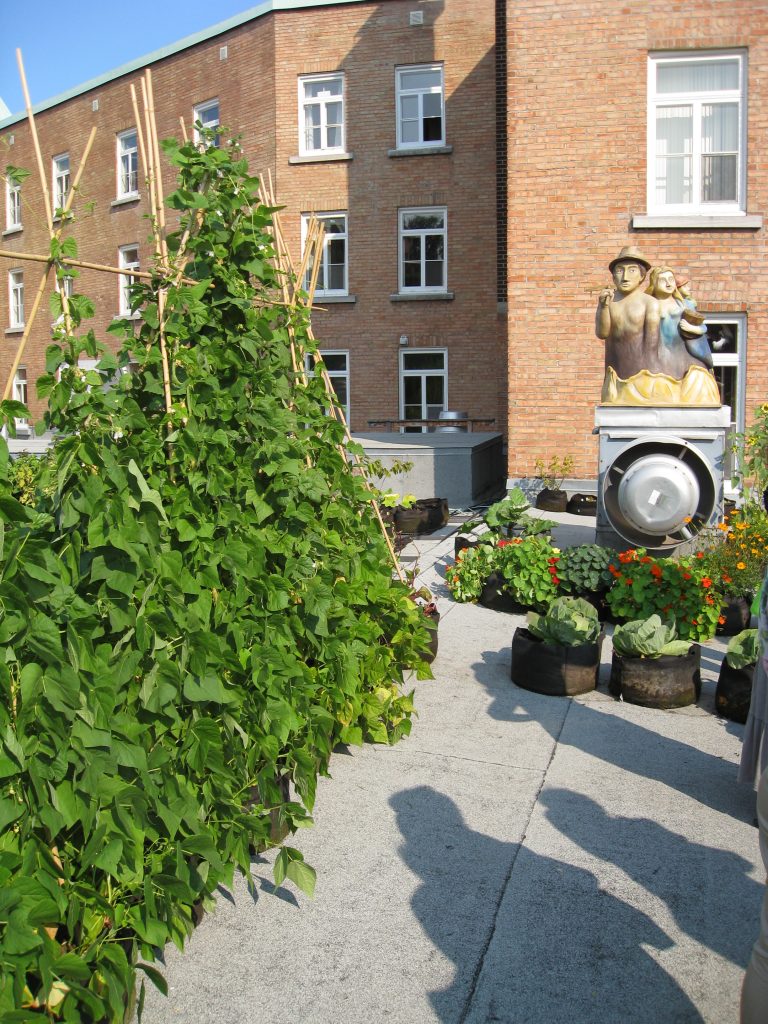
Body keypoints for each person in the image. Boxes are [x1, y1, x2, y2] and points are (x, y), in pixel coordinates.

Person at [596, 247, 720, 405]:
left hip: (643, 377)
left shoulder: (650, 303)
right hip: (616, 376)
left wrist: (649, 379)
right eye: (620, 271)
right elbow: (602, 333)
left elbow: (651, 346)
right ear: (613, 276)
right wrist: (603, 307)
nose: (625, 277)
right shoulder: (609, 302)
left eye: (632, 270)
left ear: (642, 277)